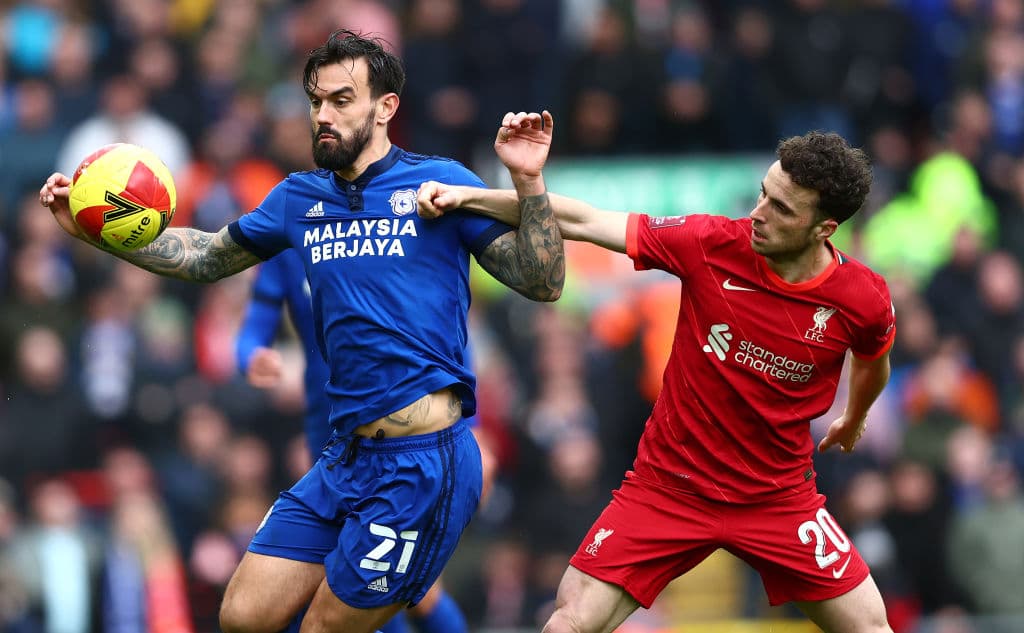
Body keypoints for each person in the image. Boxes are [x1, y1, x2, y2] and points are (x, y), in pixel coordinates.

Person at [39, 30, 564, 633]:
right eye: (317, 101)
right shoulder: (298, 198)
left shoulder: (439, 183)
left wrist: (528, 183)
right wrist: (96, 232)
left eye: (342, 100)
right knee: (242, 616)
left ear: (385, 107)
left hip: (423, 466)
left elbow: (541, 280)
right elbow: (207, 256)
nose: (323, 116)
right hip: (346, 458)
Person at [418, 111, 897, 633]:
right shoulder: (711, 244)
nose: (758, 212)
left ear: (824, 228)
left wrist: (855, 416)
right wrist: (467, 197)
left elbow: (874, 362)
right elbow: (585, 220)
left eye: (780, 208)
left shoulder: (863, 299)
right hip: (669, 490)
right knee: (567, 623)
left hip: (779, 500)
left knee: (874, 628)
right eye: (763, 192)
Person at [234, 248, 497, 633]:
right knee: (328, 590)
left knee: (404, 595)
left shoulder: (385, 230)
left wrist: (470, 433)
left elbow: (447, 339)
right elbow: (255, 325)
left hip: (407, 445)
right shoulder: (291, 237)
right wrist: (251, 356)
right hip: (327, 440)